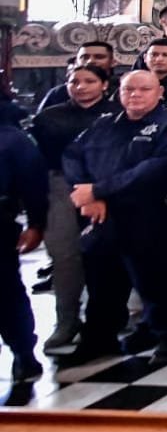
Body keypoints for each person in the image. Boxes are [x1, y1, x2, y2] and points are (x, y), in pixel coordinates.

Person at [61, 71, 167, 365]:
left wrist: (97, 190)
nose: (135, 94)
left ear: (160, 92)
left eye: (143, 89)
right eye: (128, 89)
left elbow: (155, 170)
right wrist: (86, 193)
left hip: (149, 217)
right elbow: (72, 154)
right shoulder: (106, 123)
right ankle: (99, 338)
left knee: (155, 282)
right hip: (103, 216)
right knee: (101, 283)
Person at [28, 63, 114, 355]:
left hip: (107, 183)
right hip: (61, 185)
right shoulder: (49, 118)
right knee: (65, 255)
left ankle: (106, 320)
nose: (81, 86)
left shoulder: (117, 114)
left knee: (108, 256)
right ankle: (66, 320)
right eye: (74, 81)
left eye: (89, 81)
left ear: (104, 84)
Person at [0, 97, 49, 382]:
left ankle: (22, 353)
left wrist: (36, 223)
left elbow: (33, 181)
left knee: (6, 294)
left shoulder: (12, 137)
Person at [36, 41, 117, 112]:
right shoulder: (59, 93)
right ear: (76, 61)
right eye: (85, 57)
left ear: (113, 62)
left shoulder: (122, 88)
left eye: (99, 57)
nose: (90, 61)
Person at [141, 38, 167, 103]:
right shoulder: (136, 83)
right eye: (154, 55)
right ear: (145, 58)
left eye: (165, 55)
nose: (159, 59)